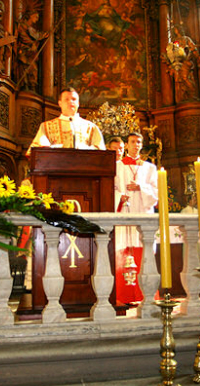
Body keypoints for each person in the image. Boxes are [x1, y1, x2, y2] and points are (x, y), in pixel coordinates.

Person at [114, 132, 158, 304]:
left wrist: (141, 187)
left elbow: (156, 192)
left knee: (143, 250)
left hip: (142, 214)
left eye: (139, 142)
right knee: (122, 250)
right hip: (124, 213)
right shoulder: (117, 166)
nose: (136, 144)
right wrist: (119, 197)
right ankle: (123, 295)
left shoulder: (150, 168)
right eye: (132, 142)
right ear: (127, 144)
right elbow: (111, 187)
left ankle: (145, 295)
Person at [27, 88, 105, 153]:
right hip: (56, 166)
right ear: (60, 103)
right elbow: (37, 151)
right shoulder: (46, 127)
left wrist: (84, 149)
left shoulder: (91, 127)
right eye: (67, 99)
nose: (70, 102)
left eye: (74, 99)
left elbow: (101, 152)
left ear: (78, 103)